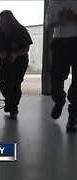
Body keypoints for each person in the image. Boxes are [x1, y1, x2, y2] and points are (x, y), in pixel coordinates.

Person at [0, 10, 33, 119]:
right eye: (0, 22)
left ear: (11, 21)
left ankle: (13, 107)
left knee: (14, 84)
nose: (2, 25)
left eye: (5, 22)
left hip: (19, 61)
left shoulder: (21, 31)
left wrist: (16, 53)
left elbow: (26, 48)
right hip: (3, 61)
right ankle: (9, 101)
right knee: (2, 83)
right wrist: (0, 53)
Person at [45, 1, 77, 132]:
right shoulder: (53, 2)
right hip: (59, 43)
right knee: (56, 79)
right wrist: (61, 20)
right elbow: (48, 25)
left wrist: (73, 18)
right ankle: (59, 100)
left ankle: (73, 117)